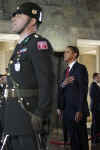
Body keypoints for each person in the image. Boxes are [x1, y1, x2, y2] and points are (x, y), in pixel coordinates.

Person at [2, 2, 55, 150]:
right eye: (13, 15)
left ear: (32, 20)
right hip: (13, 116)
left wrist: (40, 113)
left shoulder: (38, 44)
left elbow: (47, 82)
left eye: (19, 15)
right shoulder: (21, 46)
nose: (14, 18)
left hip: (28, 117)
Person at [57, 46, 89, 150]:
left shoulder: (80, 68)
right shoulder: (65, 71)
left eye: (67, 52)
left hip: (76, 111)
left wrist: (79, 110)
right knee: (73, 141)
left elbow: (82, 90)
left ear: (74, 54)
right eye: (64, 52)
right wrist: (60, 107)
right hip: (67, 111)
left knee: (81, 141)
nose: (64, 54)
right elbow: (61, 89)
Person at [89, 72, 100, 144]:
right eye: (99, 77)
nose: (99, 78)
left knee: (96, 123)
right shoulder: (93, 86)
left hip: (97, 107)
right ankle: (95, 139)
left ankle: (95, 138)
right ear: (95, 77)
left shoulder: (96, 86)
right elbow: (94, 97)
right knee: (95, 124)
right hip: (95, 107)